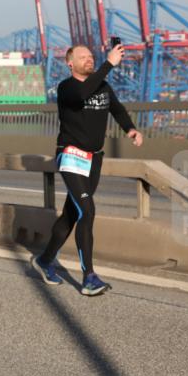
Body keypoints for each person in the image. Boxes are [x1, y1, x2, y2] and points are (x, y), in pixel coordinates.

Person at [31, 43, 143, 295]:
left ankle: (44, 260)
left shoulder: (102, 85)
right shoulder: (66, 87)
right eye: (83, 57)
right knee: (88, 210)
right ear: (70, 63)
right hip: (71, 156)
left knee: (73, 214)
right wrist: (109, 64)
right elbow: (83, 94)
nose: (89, 60)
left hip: (94, 159)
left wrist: (130, 129)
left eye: (92, 56)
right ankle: (89, 277)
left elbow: (116, 108)